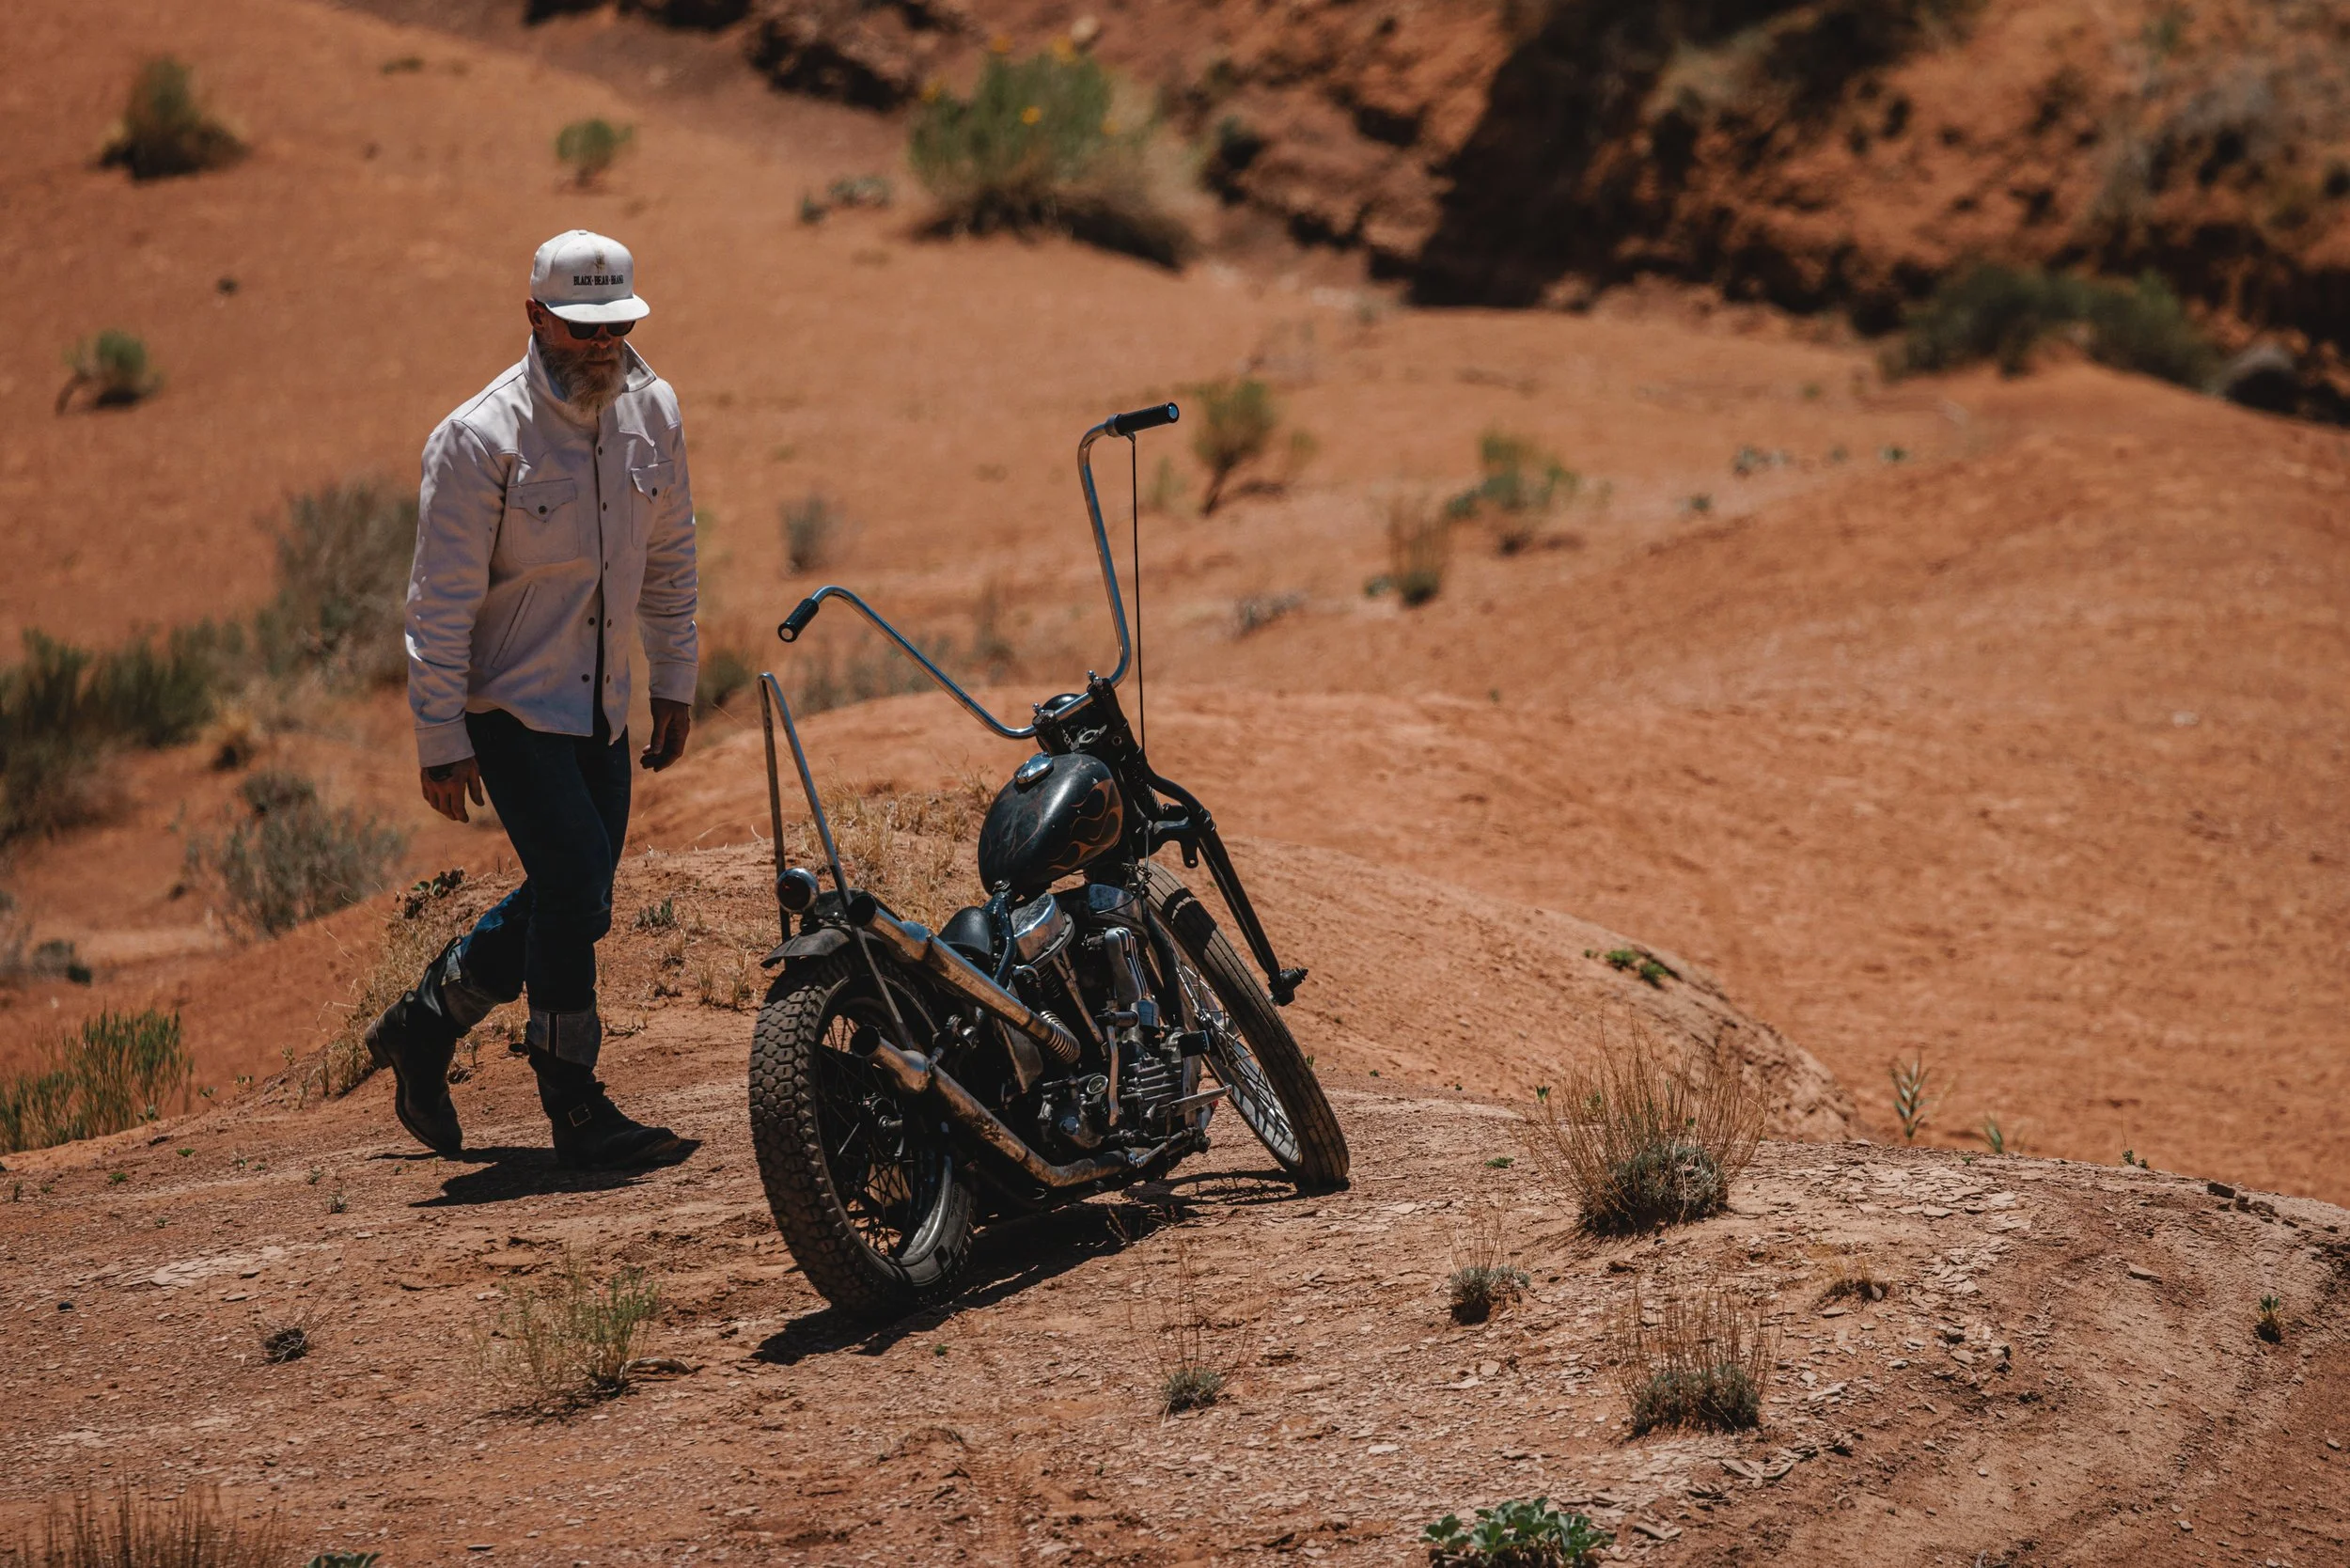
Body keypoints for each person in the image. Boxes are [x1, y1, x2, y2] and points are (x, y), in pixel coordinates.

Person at [366, 229, 698, 1169]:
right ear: (534, 315)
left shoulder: (654, 411)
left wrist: (674, 676)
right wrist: (439, 733)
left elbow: (671, 554)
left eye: (616, 326)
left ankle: (425, 1024)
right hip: (508, 703)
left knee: (579, 896)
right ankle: (575, 1103)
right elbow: (439, 602)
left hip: (602, 702)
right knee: (572, 884)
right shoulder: (478, 439)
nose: (602, 345)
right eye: (581, 327)